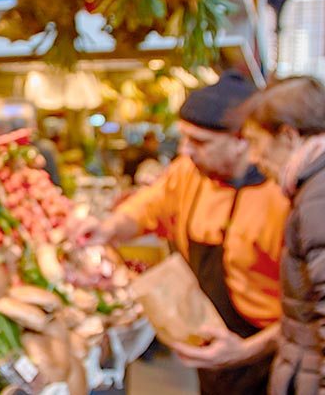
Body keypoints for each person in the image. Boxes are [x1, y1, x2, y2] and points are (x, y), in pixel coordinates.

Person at [73, 70, 290, 395]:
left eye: (200, 142)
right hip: (211, 342)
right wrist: (107, 228)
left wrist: (247, 350)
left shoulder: (283, 198)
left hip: (271, 352)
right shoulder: (189, 174)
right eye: (185, 137)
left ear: (242, 140)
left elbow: (311, 309)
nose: (186, 150)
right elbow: (147, 208)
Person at [239, 76, 325, 395]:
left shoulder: (318, 196)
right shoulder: (311, 187)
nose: (253, 158)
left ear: (288, 136)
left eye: (256, 143)